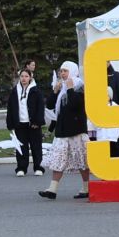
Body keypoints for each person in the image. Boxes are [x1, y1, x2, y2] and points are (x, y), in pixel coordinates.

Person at [38, 61, 92, 200]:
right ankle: (52, 189)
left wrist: (70, 89)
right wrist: (55, 92)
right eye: (61, 71)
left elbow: (76, 105)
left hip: (76, 130)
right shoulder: (62, 87)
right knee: (58, 158)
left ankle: (86, 188)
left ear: (72, 71)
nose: (62, 74)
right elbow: (50, 105)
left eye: (65, 71)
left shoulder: (79, 86)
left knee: (82, 160)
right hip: (62, 131)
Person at [7, 64, 46, 176]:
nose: (24, 79)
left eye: (26, 76)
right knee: (21, 147)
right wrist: (11, 124)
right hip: (20, 124)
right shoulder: (15, 91)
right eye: (22, 76)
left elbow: (40, 107)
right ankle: (21, 168)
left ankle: (38, 167)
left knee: (36, 146)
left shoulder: (36, 91)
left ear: (30, 78)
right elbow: (10, 108)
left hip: (33, 124)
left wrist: (37, 122)